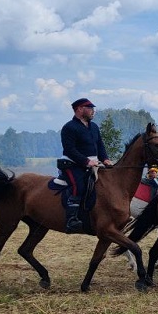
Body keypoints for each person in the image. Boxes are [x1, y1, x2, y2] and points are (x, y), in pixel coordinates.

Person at [60, 98, 113, 233]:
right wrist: (86, 161)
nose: (93, 111)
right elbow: (70, 150)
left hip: (93, 164)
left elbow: (100, 145)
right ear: (79, 109)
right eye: (89, 108)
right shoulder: (69, 127)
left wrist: (105, 159)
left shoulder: (94, 127)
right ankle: (71, 220)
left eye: (92, 109)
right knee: (79, 185)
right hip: (72, 164)